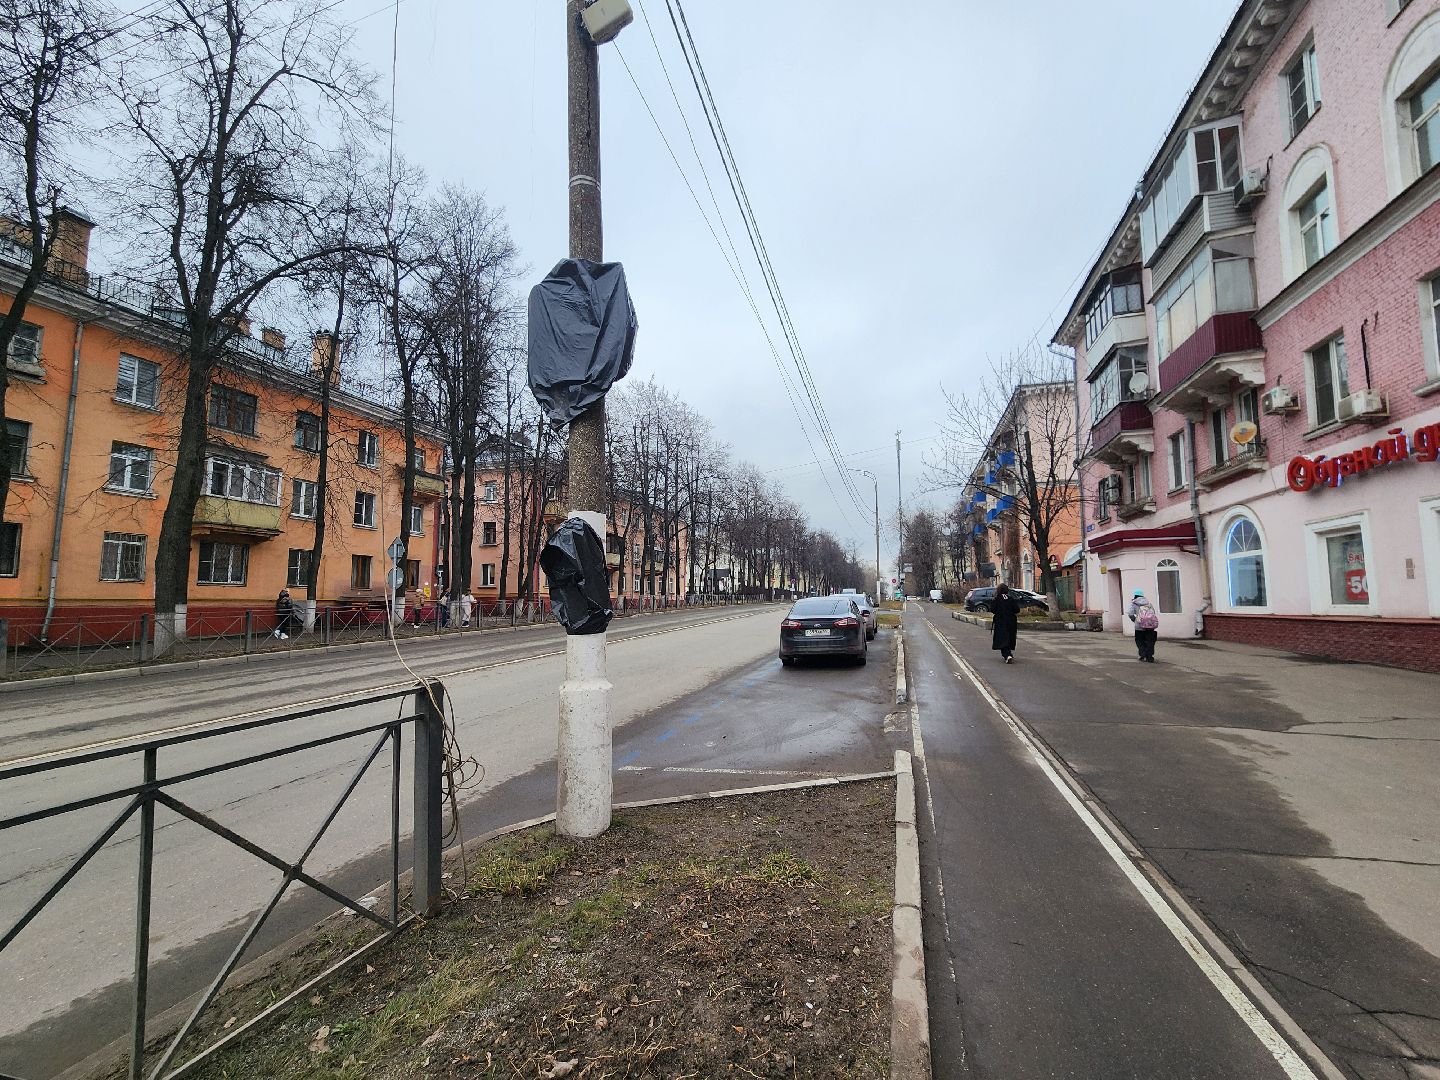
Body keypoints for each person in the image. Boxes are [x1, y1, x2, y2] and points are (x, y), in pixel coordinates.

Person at [990, 583, 1021, 664]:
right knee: (1009, 637)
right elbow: (1017, 609)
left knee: (1002, 639)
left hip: (1001, 621)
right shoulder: (1010, 598)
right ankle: (1008, 654)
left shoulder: (997, 599)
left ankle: (1007, 655)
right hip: (1011, 621)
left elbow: (992, 609)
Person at [1127, 588, 1159, 662]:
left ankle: (1143, 655)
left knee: (1139, 641)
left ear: (1135, 595)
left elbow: (1130, 613)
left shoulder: (1134, 603)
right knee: (1149, 641)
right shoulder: (1148, 603)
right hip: (1150, 626)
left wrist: (1134, 620)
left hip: (1139, 626)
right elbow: (1153, 613)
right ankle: (1149, 657)